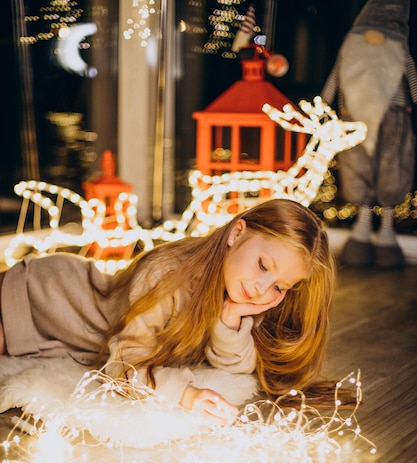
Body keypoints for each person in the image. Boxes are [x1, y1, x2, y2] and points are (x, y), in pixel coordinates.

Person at [0, 199, 335, 423]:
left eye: (280, 286)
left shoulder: (243, 291)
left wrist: (230, 316)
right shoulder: (166, 274)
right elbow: (126, 361)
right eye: (263, 265)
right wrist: (185, 394)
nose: (263, 288)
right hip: (44, 295)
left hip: (65, 333)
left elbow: (238, 367)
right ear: (236, 234)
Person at [321, 0, 417, 268]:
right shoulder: (351, 49)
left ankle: (387, 230)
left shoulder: (397, 49)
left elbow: (411, 74)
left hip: (394, 114)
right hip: (355, 114)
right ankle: (362, 228)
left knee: (392, 168)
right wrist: (322, 104)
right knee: (357, 167)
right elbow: (335, 77)